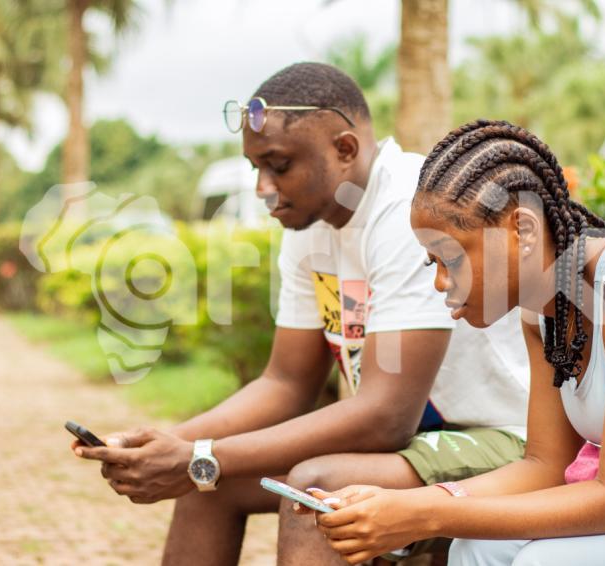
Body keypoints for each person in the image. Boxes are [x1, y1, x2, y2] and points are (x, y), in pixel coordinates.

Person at [72, 66, 530, 566]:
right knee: (211, 486)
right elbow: (285, 383)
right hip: (422, 441)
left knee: (314, 490)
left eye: (279, 165)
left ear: (346, 149)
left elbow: (386, 417)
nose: (263, 188)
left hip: (504, 438)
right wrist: (173, 445)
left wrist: (203, 456)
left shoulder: (407, 209)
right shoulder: (311, 228)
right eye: (254, 169)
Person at [303, 119, 605, 565]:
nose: (440, 281)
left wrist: (429, 513)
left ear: (524, 231)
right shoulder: (544, 316)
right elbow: (546, 466)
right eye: (432, 262)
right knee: (476, 548)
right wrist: (414, 501)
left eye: (452, 257)